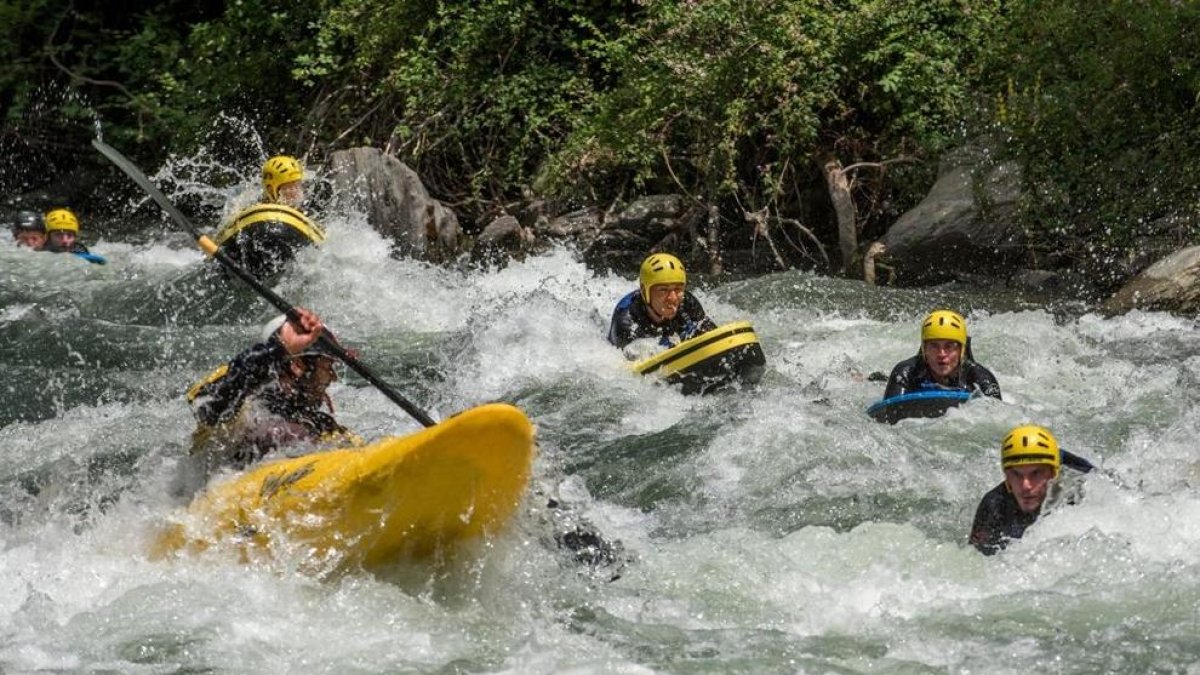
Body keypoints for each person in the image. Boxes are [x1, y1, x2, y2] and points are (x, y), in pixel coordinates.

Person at [183, 308, 357, 487]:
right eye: (327, 367)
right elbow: (210, 408)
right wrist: (280, 350)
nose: (333, 377)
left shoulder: (318, 423)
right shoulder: (246, 402)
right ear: (297, 364)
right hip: (219, 489)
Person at [212, 155, 325, 280]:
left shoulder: (305, 213)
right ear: (271, 190)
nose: (296, 192)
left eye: (297, 186)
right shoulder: (253, 207)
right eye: (289, 187)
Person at [969, 424, 1076, 555]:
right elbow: (975, 560)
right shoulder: (994, 504)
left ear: (1052, 474)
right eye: (1016, 474)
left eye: (1035, 473)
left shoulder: (1073, 497)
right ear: (1007, 477)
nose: (1026, 485)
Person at [607, 253, 718, 356]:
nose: (673, 298)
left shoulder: (687, 301)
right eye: (663, 290)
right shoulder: (625, 325)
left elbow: (712, 334)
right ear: (645, 292)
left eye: (678, 288)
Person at [883, 309, 1001, 400]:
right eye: (934, 346)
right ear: (924, 349)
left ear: (961, 350)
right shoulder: (906, 373)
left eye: (949, 346)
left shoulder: (980, 378)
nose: (941, 354)